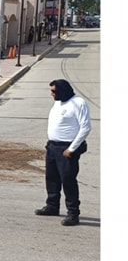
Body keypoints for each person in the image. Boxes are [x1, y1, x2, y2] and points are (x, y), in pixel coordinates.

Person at [37, 79, 91, 226]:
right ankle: (52, 206)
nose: (51, 94)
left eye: (53, 91)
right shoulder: (58, 102)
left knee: (68, 180)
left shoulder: (78, 103)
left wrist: (71, 149)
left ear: (62, 90)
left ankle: (73, 213)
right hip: (53, 147)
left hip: (67, 148)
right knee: (52, 178)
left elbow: (85, 127)